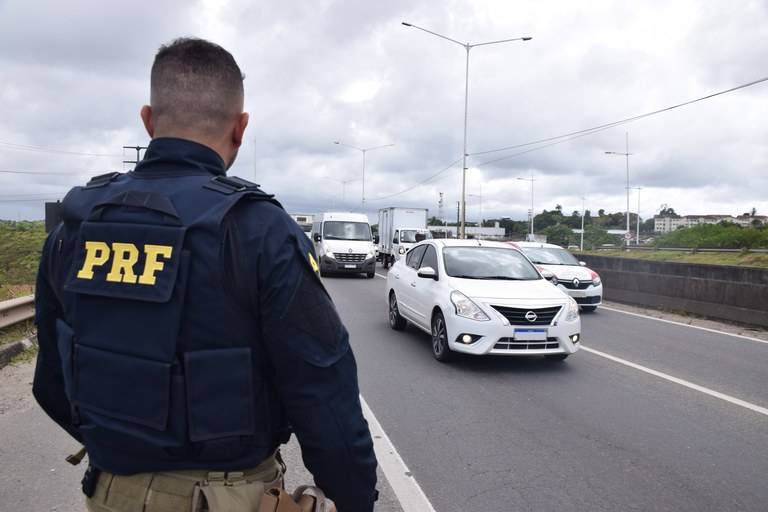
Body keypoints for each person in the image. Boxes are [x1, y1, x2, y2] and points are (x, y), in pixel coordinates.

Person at [33, 37, 378, 512]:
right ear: (241, 128)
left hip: (109, 490)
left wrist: (126, 448)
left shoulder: (75, 227)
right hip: (227, 497)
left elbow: (51, 383)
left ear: (149, 120)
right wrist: (355, 498)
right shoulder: (259, 230)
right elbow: (323, 392)